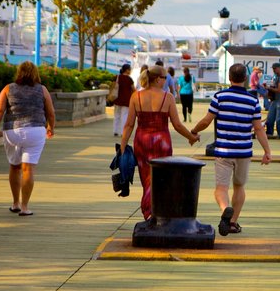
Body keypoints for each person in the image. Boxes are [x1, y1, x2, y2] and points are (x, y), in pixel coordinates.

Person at [190, 63, 271, 236]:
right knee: (239, 186)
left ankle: (225, 208)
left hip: (224, 151)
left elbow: (206, 120)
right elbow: (258, 128)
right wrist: (267, 151)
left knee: (221, 188)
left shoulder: (220, 97)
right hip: (243, 151)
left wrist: (194, 132)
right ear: (245, 79)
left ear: (229, 77)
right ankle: (232, 221)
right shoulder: (253, 100)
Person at [119, 64, 196, 221]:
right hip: (162, 142)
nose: (165, 81)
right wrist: (191, 137)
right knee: (160, 179)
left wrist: (122, 147)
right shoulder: (167, 97)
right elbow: (177, 125)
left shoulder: (136, 96)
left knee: (146, 178)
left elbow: (129, 125)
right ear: (158, 79)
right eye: (164, 78)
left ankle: (148, 212)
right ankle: (154, 212)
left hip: (142, 141)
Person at [0, 61, 56, 216]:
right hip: (35, 131)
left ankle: (15, 203)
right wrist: (51, 127)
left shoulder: (8, 88)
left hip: (13, 131)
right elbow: (50, 112)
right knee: (28, 169)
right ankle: (25, 207)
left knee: (15, 167)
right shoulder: (42, 89)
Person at [263, 63, 280, 139]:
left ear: (279, 68)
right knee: (270, 117)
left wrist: (268, 88)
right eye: (273, 68)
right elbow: (275, 88)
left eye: (275, 68)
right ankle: (269, 133)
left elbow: (279, 90)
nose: (274, 70)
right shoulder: (276, 77)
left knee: (279, 118)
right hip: (275, 100)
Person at [112, 64, 134, 137]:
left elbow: (112, 86)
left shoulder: (117, 77)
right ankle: (122, 132)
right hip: (126, 100)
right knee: (124, 116)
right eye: (130, 69)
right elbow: (133, 89)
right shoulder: (129, 79)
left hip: (117, 99)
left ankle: (115, 130)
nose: (130, 71)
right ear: (127, 70)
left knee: (116, 115)